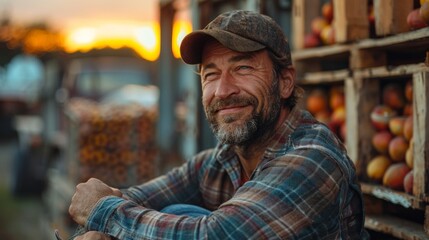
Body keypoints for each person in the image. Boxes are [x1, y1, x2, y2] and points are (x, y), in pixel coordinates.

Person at [68, 10, 369, 239]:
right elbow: (134, 199)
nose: (223, 90)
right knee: (167, 215)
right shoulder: (222, 160)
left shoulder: (312, 159)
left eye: (242, 67)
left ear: (285, 82)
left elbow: (215, 235)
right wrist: (101, 226)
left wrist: (102, 211)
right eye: (211, 74)